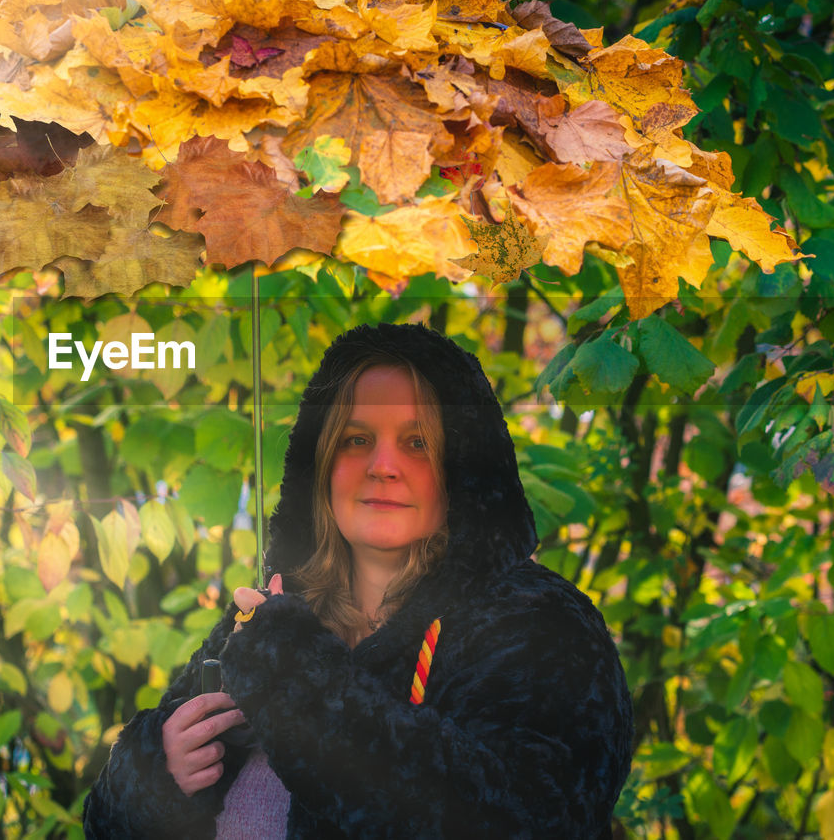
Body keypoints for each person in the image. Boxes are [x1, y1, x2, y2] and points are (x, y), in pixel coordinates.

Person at [82, 322, 634, 838]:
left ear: (462, 464)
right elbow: (110, 820)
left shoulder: (539, 627)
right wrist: (161, 770)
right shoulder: (271, 613)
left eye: (417, 442)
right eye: (356, 439)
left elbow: (519, 820)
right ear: (321, 464)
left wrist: (302, 685)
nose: (382, 465)